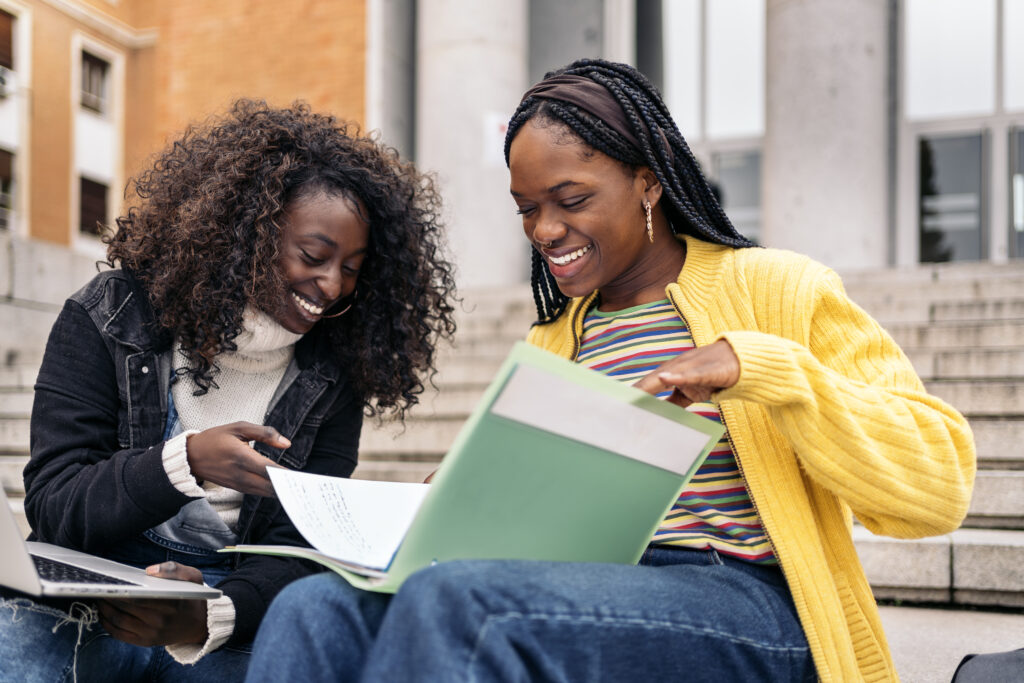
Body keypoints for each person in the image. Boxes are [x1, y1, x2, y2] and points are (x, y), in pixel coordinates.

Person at [243, 60, 976, 682]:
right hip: (587, 584)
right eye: (527, 209)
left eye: (572, 200)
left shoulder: (779, 289)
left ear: (649, 182)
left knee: (466, 602)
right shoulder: (556, 338)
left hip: (746, 599)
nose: (545, 231)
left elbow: (939, 484)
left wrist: (763, 368)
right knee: (316, 609)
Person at [0, 99, 456, 682]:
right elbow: (55, 506)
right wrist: (182, 462)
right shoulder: (112, 315)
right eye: (314, 256)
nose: (334, 284)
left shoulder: (332, 373)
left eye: (352, 268)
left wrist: (213, 615)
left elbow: (301, 551)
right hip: (88, 596)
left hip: (218, 613)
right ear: (247, 235)